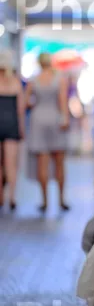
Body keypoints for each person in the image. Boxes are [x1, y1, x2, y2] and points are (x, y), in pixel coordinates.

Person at [24, 53, 70, 212]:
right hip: (55, 119)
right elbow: (63, 101)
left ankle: (44, 201)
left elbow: (26, 101)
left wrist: (35, 104)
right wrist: (65, 118)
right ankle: (61, 199)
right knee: (59, 162)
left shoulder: (34, 80)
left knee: (42, 163)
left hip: (38, 119)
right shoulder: (59, 79)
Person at [0, 50, 25, 210]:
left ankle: (0, 196)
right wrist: (21, 128)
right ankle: (12, 197)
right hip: (12, 125)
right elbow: (20, 109)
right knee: (11, 164)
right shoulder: (16, 81)